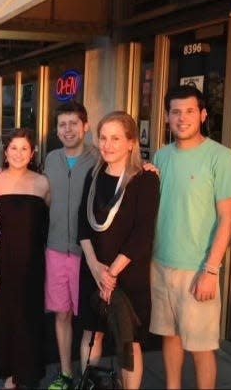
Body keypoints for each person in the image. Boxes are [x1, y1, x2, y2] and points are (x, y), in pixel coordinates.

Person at [150, 85, 231, 389]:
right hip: (161, 264)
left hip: (198, 268)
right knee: (170, 336)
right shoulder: (161, 156)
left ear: (202, 115)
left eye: (189, 111)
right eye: (175, 112)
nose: (182, 118)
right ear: (167, 117)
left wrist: (211, 270)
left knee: (201, 347)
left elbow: (228, 219)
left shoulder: (221, 158)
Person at [77, 111, 160, 389]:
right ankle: (89, 384)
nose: (107, 144)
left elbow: (142, 234)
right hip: (94, 270)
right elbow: (83, 225)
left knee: (128, 342)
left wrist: (110, 274)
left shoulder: (144, 180)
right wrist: (95, 267)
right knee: (92, 334)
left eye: (115, 138)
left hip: (126, 275)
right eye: (103, 137)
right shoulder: (94, 175)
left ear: (131, 142)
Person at [0, 128, 50, 389]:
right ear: (5, 151)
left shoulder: (43, 183)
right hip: (1, 261)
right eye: (13, 148)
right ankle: (11, 373)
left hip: (33, 262)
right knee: (6, 318)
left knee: (30, 318)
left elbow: (48, 222)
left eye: (24, 148)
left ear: (32, 153)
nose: (18, 153)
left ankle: (30, 371)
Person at [44, 101, 99, 390]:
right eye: (62, 125)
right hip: (55, 249)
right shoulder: (51, 159)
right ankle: (66, 374)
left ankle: (88, 377)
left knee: (90, 320)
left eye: (73, 123)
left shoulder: (100, 158)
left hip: (87, 254)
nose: (67, 130)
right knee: (62, 314)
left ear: (85, 126)